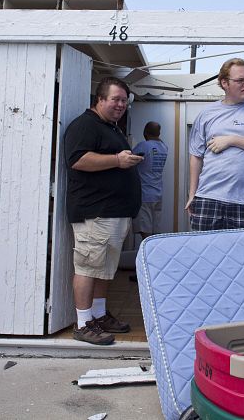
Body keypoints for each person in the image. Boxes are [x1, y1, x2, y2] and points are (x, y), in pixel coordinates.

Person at [64, 77, 142, 345]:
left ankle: (98, 315)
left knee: (104, 268)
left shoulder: (111, 127)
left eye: (124, 100)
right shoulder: (85, 125)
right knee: (88, 266)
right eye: (115, 99)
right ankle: (83, 323)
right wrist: (117, 160)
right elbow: (78, 159)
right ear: (99, 99)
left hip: (112, 213)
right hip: (95, 213)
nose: (121, 105)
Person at [185, 57, 244, 231]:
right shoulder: (207, 114)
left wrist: (231, 140)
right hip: (208, 197)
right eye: (240, 80)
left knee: (241, 256)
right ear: (224, 83)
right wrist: (192, 194)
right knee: (204, 253)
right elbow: (196, 156)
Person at [132, 121, 169, 241]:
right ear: (159, 134)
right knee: (155, 228)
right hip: (157, 193)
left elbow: (129, 158)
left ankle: (148, 254)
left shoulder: (143, 146)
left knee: (145, 228)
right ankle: (154, 252)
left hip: (144, 194)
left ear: (145, 133)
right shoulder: (164, 147)